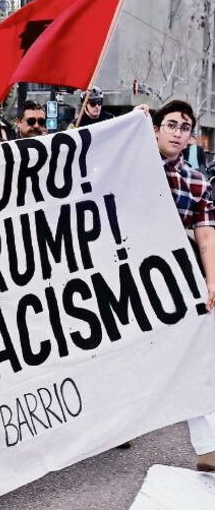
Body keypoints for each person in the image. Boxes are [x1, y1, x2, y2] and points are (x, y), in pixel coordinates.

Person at [140, 100, 215, 471]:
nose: (177, 133)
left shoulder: (196, 181)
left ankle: (208, 448)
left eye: (184, 127)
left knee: (197, 353)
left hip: (173, 277)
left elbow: (206, 234)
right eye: (170, 124)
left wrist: (212, 280)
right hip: (123, 277)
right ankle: (113, 423)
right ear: (155, 129)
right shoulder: (131, 164)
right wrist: (127, 125)